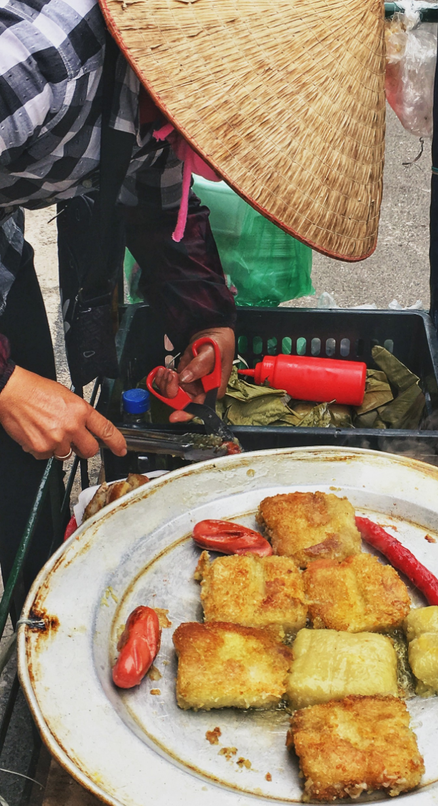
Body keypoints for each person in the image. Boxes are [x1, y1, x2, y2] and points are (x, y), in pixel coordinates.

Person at [0, 0, 236, 587]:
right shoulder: (37, 65)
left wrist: (206, 319)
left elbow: (160, 205)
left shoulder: (165, 94)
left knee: (26, 462)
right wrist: (4, 383)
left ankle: (40, 606)